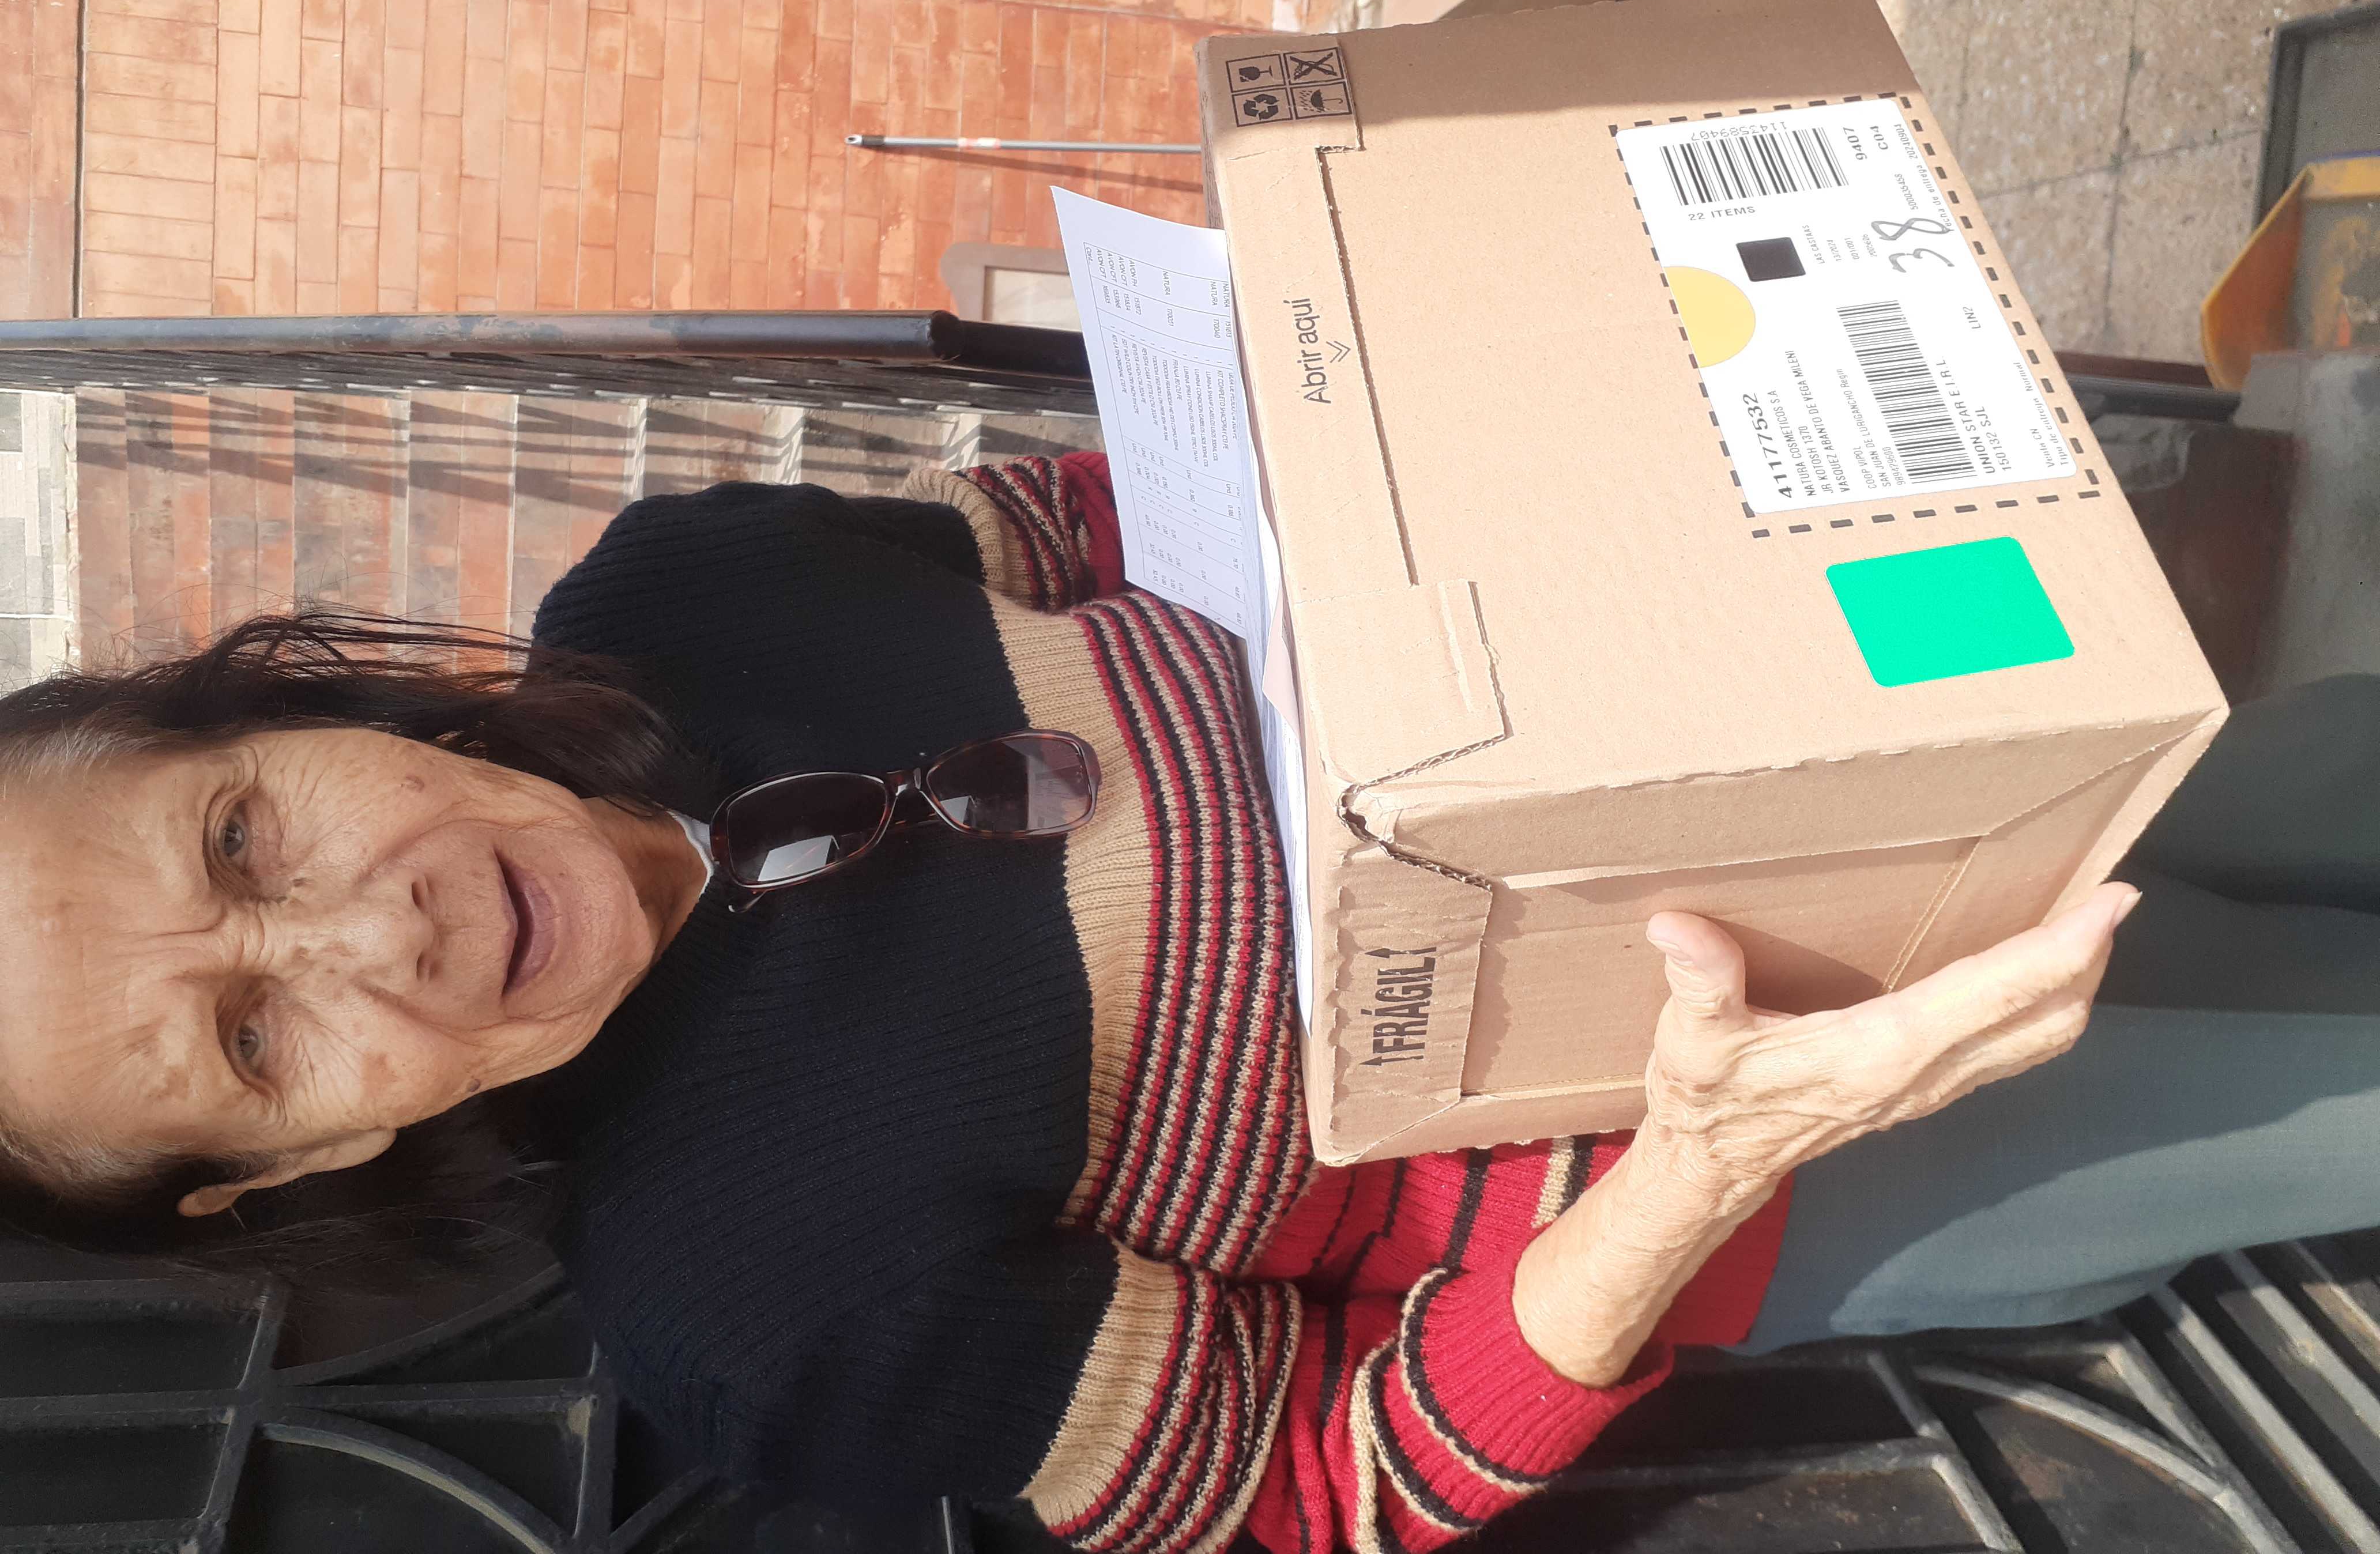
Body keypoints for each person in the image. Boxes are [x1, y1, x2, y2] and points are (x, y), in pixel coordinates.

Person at [0, 453, 2371, 1554]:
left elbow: (1108, 512)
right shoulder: (748, 1306)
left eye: (240, 842)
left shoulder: (688, 583)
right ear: (299, 1162)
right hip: (1827, 1114)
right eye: (254, 1043)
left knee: (2329, 775)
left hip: (1813, 728)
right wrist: (1706, 1166)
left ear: (263, 710)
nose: (374, 936)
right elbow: (1331, 1477)